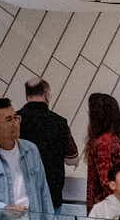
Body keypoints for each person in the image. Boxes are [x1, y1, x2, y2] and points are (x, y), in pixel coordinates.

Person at [18, 79, 77, 211]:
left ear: (27, 95)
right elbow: (72, 158)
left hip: (20, 197)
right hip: (51, 196)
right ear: (47, 94)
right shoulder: (59, 122)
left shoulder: (15, 120)